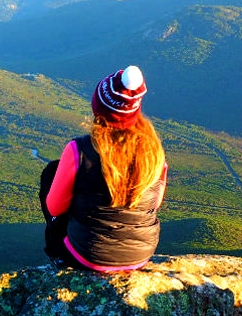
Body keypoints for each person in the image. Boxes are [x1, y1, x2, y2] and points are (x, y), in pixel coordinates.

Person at [39, 65, 167, 272]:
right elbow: (155, 202)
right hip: (140, 254)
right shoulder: (155, 153)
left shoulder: (79, 150)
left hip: (86, 254)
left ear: (98, 107)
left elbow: (55, 208)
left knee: (51, 173)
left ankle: (58, 255)